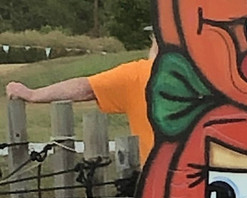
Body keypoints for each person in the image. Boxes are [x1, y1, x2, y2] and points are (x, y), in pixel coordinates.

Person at [4, 33, 156, 162]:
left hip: (159, 182)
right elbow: (86, 88)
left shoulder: (140, 74)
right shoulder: (141, 74)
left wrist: (33, 94)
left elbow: (84, 88)